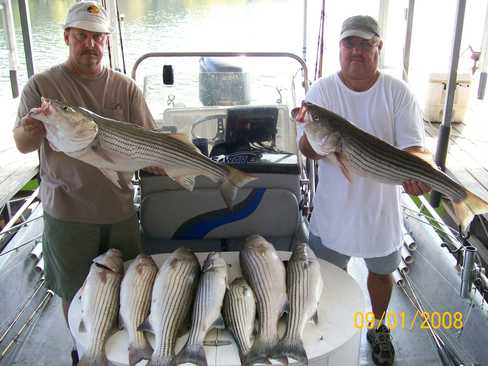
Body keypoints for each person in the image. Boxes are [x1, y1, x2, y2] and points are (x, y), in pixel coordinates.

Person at [12, 2, 160, 363]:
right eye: (82, 36)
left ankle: (120, 351)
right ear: (67, 37)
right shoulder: (43, 87)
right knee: (74, 292)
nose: (90, 45)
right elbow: (22, 143)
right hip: (67, 212)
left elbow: (151, 139)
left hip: (119, 209)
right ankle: (84, 351)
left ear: (106, 41)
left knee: (125, 288)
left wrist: (170, 163)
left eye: (97, 37)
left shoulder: (125, 88)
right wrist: (31, 131)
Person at [298, 15, 431, 366]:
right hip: (332, 213)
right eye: (348, 43)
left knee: (381, 273)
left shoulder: (397, 92)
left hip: (381, 212)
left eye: (364, 44)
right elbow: (306, 146)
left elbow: (413, 149)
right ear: (339, 48)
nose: (355, 51)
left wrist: (417, 173)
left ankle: (378, 326)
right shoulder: (322, 92)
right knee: (326, 274)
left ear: (378, 47)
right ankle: (326, 325)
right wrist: (314, 138)